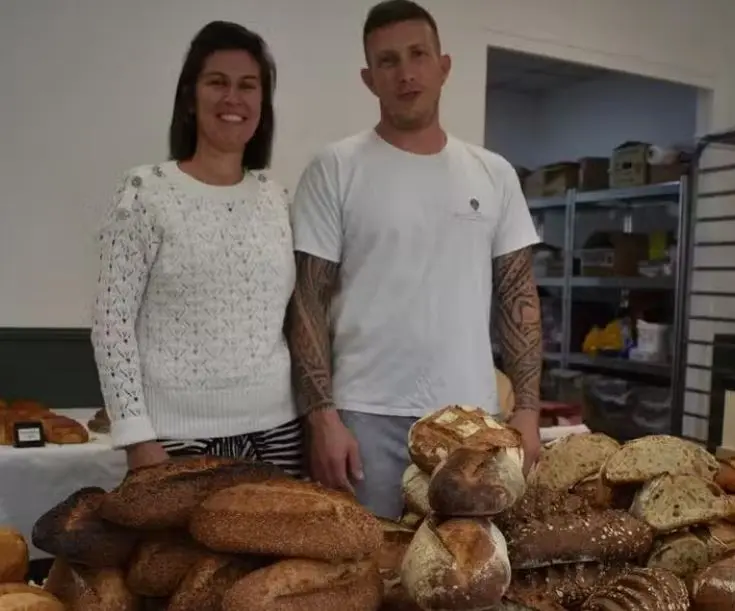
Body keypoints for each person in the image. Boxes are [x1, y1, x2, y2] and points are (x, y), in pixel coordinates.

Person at [289, 0, 543, 518]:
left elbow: (518, 294)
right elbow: (307, 300)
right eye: (388, 61)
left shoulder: (493, 173)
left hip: (473, 423)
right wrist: (322, 419)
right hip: (363, 420)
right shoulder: (334, 168)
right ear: (369, 78)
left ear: (443, 66)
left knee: (467, 564)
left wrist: (529, 411)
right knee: (369, 563)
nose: (405, 73)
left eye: (417, 55)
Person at [90, 21, 303, 476]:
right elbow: (112, 324)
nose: (233, 98)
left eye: (248, 86)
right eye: (217, 83)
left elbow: (290, 317)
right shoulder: (144, 191)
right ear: (190, 97)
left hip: (280, 433)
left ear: (262, 104)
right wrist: (136, 436)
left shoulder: (276, 198)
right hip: (173, 439)